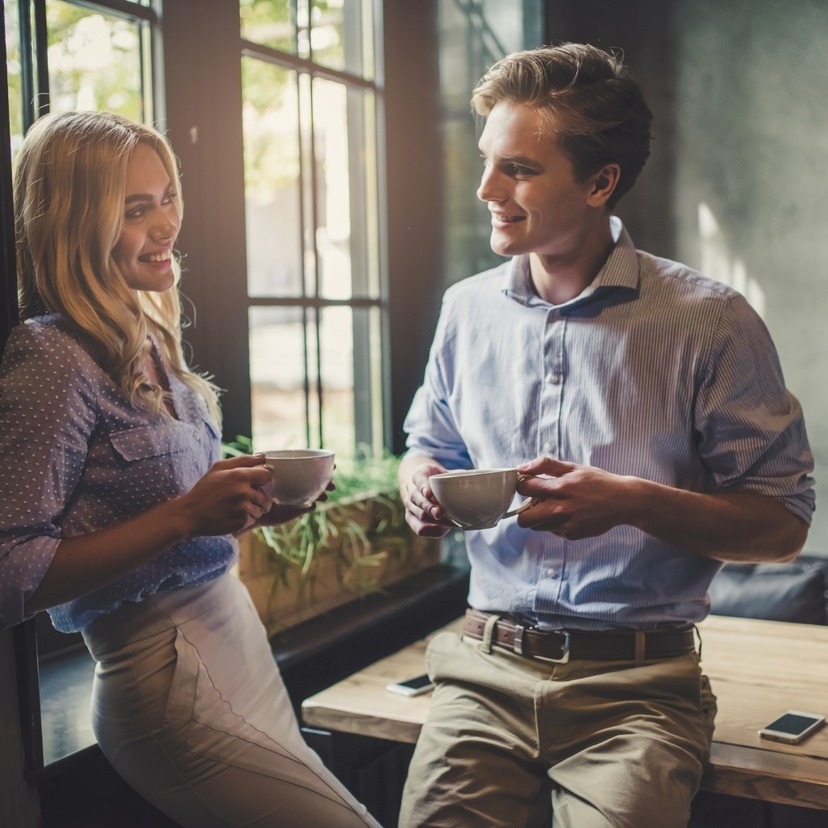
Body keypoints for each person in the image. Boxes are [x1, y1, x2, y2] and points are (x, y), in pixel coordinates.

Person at [398, 43, 815, 828]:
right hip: (478, 674)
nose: (486, 189)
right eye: (488, 161)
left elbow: (783, 528)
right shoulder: (465, 310)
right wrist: (419, 481)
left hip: (640, 694)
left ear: (601, 182)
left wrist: (629, 502)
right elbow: (430, 445)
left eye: (518, 169)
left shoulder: (710, 320)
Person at [0, 111, 381, 828]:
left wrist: (252, 503)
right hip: (165, 677)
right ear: (74, 225)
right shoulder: (50, 358)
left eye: (168, 195)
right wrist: (184, 517)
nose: (167, 223)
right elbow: (11, 570)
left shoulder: (147, 332)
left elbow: (173, 510)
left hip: (236, 645)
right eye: (135, 210)